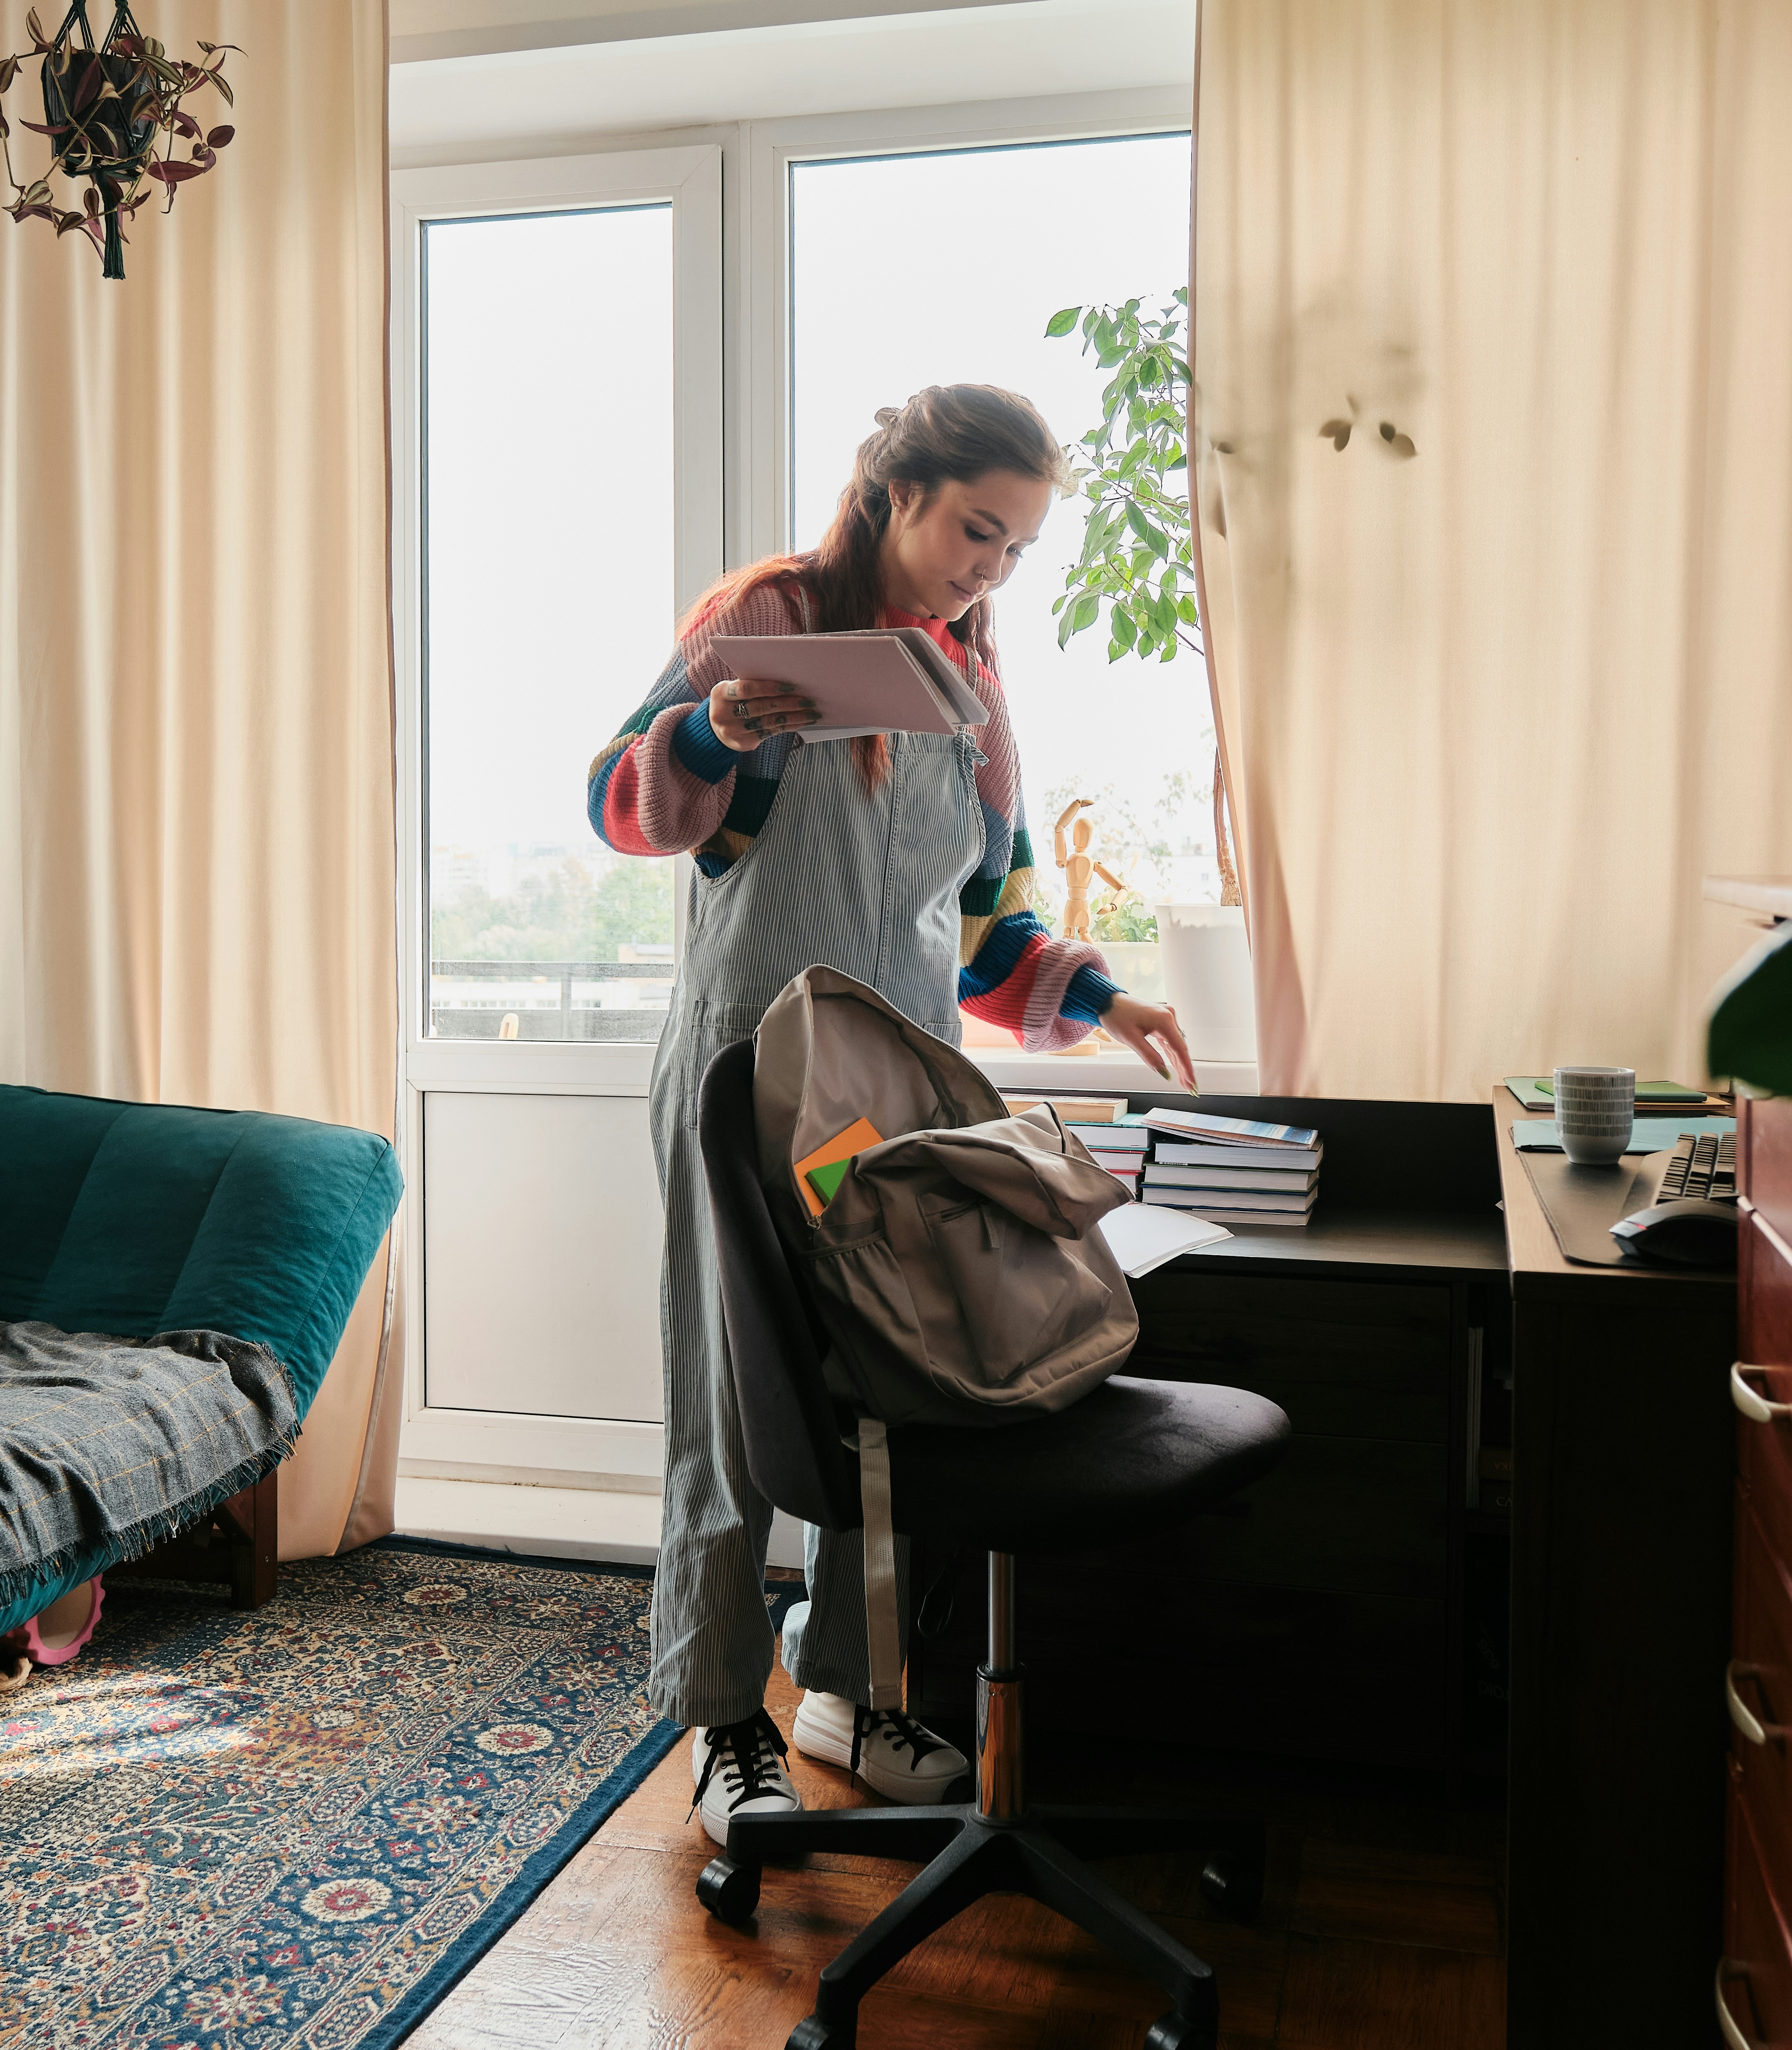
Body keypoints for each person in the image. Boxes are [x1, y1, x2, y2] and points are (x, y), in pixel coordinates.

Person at [585, 383, 1196, 1844]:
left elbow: (986, 924)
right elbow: (621, 804)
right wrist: (720, 727)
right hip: (751, 1080)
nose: (991, 567)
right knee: (731, 1404)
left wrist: (1100, 999)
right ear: (898, 494)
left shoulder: (973, 692)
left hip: (897, 1101)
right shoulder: (773, 617)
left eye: (1018, 547)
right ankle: (726, 1715)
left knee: (890, 1387)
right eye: (977, 529)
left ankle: (855, 1693)